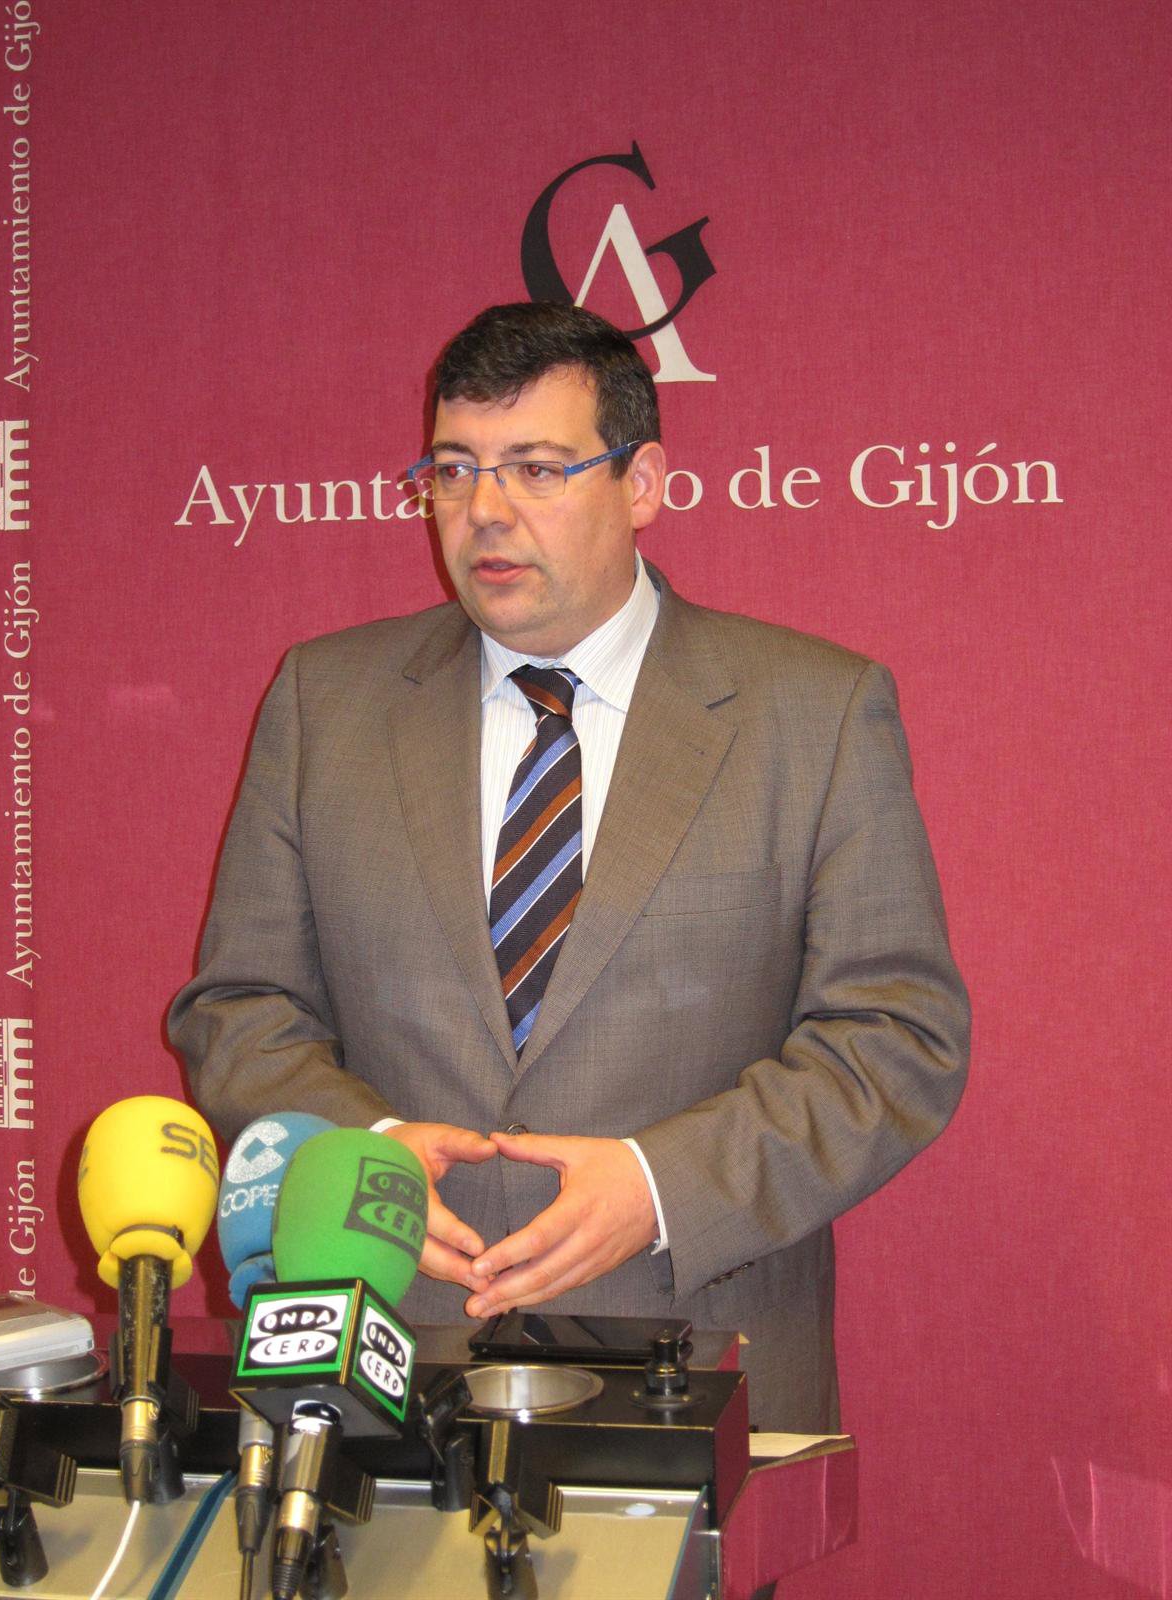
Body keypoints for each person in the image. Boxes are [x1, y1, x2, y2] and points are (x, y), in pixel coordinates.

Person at [169, 301, 969, 1430]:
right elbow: (240, 1009)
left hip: (695, 1361)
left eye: (537, 469)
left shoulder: (815, 712)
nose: (485, 511)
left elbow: (896, 1038)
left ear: (641, 484)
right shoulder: (324, 702)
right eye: (454, 470)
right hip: (384, 1355)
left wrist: (660, 1187)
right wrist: (368, 1155)